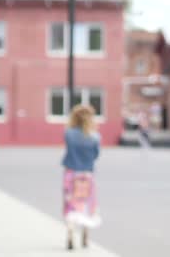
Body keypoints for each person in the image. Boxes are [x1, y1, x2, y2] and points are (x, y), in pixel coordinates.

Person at [61, 104, 102, 250]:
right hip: (87, 174)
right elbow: (96, 155)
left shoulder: (69, 133)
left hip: (71, 173)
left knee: (71, 204)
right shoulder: (95, 136)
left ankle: (71, 233)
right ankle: (85, 235)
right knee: (86, 205)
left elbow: (68, 149)